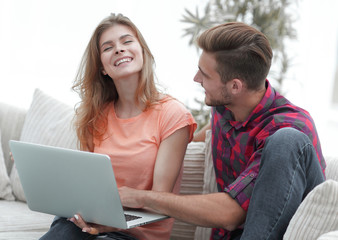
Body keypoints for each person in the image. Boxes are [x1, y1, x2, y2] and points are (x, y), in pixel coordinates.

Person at [118, 22, 326, 239]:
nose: (196, 79)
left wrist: (144, 198)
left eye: (204, 74)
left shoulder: (287, 127)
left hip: (277, 232)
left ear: (235, 87)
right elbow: (204, 136)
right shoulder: (224, 107)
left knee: (288, 140)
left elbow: (231, 214)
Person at [39, 13, 196, 240]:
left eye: (127, 41)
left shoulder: (173, 114)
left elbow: (161, 201)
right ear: (102, 67)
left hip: (136, 233)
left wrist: (110, 224)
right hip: (87, 223)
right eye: (108, 47)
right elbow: (84, 186)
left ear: (142, 51)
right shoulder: (95, 116)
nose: (119, 49)